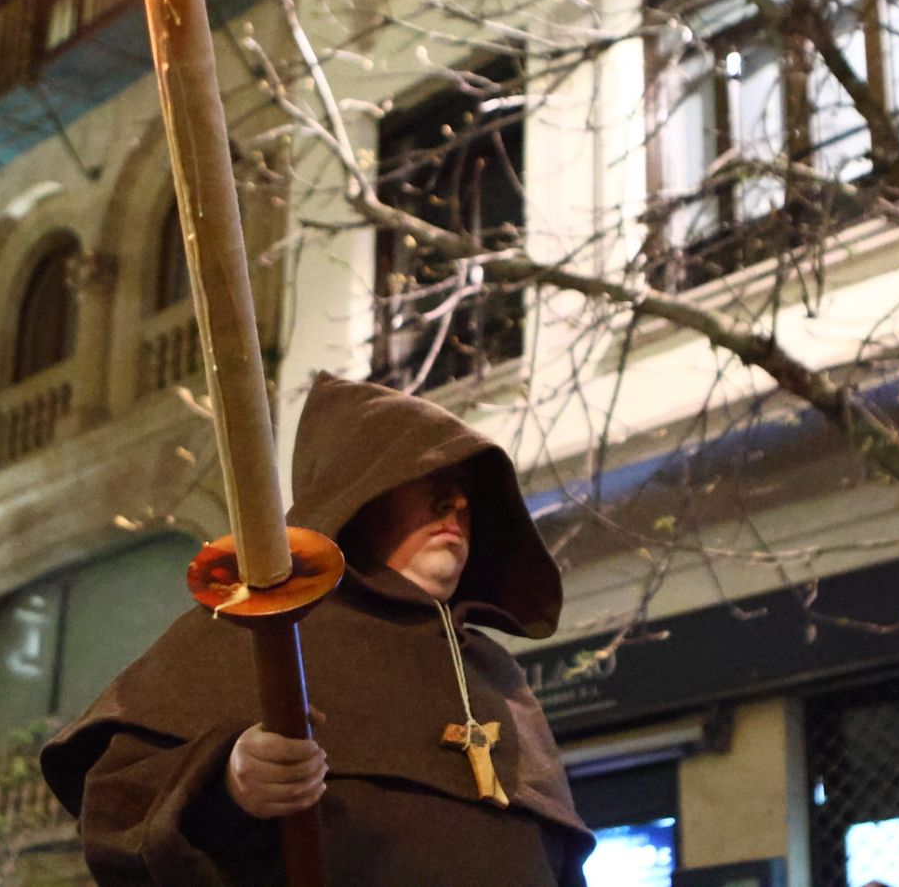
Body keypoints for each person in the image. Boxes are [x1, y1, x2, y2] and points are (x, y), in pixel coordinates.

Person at [41, 371, 595, 886]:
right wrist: (226, 783)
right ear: (359, 493)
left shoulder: (497, 675)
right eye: (428, 479)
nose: (456, 503)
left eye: (466, 490)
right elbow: (121, 806)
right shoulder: (263, 631)